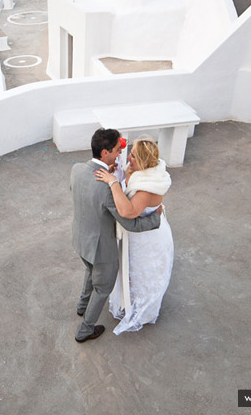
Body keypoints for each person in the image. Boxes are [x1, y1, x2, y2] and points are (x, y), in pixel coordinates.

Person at [71, 128, 162, 343]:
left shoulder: (76, 169)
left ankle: (82, 306)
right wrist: (156, 218)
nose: (120, 153)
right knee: (103, 288)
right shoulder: (107, 189)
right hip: (101, 248)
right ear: (104, 153)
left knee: (90, 271)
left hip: (80, 239)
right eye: (116, 150)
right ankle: (85, 330)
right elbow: (130, 222)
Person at [94, 136, 174, 335]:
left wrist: (112, 182)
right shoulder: (139, 171)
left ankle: (142, 311)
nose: (129, 158)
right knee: (129, 271)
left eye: (134, 157)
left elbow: (128, 212)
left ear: (145, 162)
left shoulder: (146, 189)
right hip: (137, 235)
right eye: (130, 153)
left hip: (147, 238)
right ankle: (126, 300)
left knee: (141, 274)